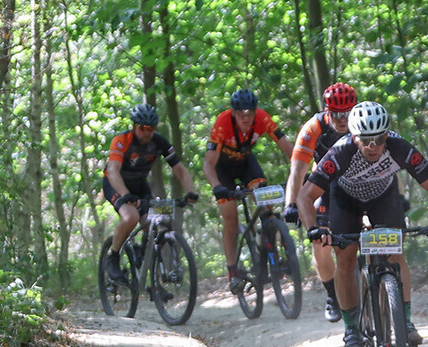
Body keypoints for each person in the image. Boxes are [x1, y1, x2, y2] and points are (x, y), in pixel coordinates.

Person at [298, 101, 428, 347]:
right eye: (365, 140)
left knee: (395, 254)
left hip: (383, 196)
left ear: (387, 135)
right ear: (353, 136)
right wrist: (314, 228)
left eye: (379, 139)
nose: (373, 146)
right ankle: (352, 329)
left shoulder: (400, 147)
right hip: (345, 199)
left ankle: (405, 319)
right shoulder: (340, 152)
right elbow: (305, 196)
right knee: (345, 259)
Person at [203, 88, 295, 294]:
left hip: (245, 165)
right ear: (233, 113)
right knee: (230, 217)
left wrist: (301, 169)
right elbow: (208, 164)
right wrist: (217, 187)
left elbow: (286, 145)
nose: (245, 119)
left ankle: (271, 248)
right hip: (222, 169)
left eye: (249, 114)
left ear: (255, 112)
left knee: (266, 201)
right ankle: (232, 271)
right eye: (241, 114)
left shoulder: (262, 118)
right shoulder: (223, 122)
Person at [284, 82, 357, 324]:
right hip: (324, 184)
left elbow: (388, 162)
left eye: (347, 113)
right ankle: (332, 295)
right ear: (327, 111)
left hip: (360, 182)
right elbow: (297, 171)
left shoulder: (363, 120)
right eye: (336, 114)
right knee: (320, 241)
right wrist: (291, 204)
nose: (343, 119)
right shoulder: (313, 128)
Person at [101, 103, 199, 281]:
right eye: (142, 128)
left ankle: (150, 274)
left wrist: (191, 191)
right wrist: (125, 195)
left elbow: (179, 169)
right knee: (131, 217)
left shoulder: (159, 142)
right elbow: (113, 170)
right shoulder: (122, 140)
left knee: (157, 224)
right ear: (134, 126)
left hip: (139, 185)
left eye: (150, 129)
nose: (146, 132)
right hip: (115, 184)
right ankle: (113, 257)